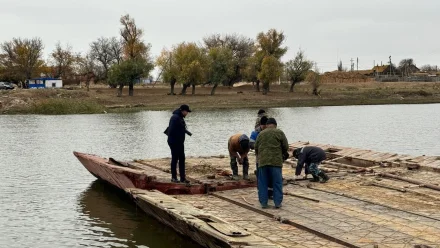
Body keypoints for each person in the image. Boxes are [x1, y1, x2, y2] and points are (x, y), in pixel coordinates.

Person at [254, 118, 289, 209]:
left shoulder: (261, 134)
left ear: (266, 125)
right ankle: (277, 203)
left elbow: (256, 147)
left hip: (263, 162)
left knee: (263, 183)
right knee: (277, 182)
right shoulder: (279, 133)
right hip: (276, 162)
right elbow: (286, 146)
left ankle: (264, 203)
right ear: (275, 125)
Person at [165, 104, 192, 183]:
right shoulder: (175, 118)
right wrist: (178, 138)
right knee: (175, 159)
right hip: (174, 142)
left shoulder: (179, 117)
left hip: (179, 142)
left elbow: (181, 128)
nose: (187, 113)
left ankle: (182, 178)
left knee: (182, 159)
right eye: (187, 112)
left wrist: (185, 132)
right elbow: (172, 131)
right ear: (183, 111)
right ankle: (174, 177)